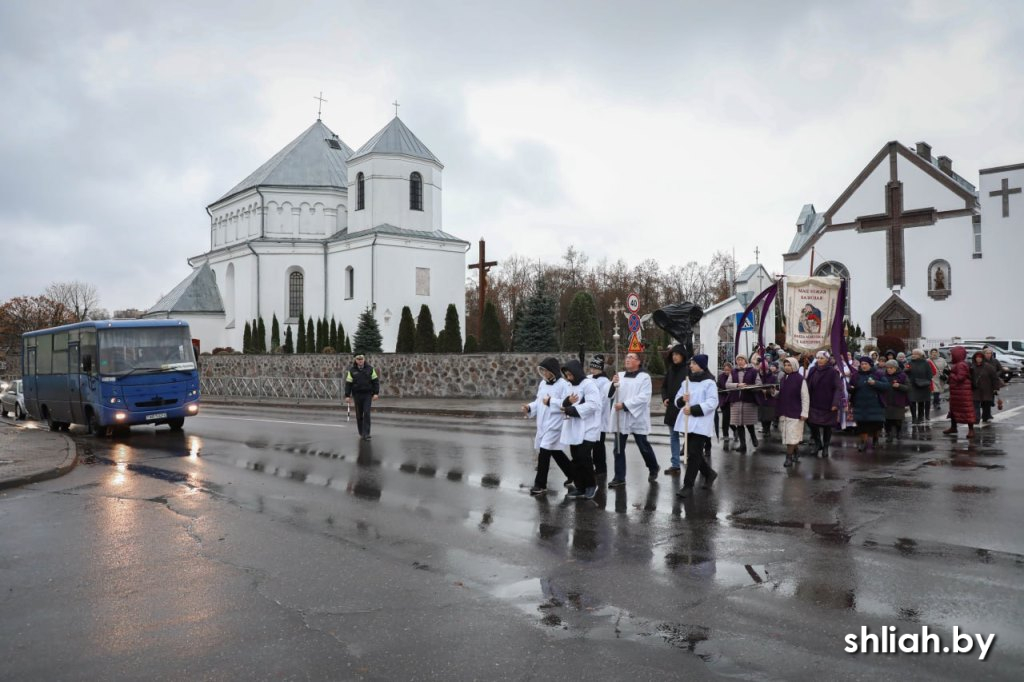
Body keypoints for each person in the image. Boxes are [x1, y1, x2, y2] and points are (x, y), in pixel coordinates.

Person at [523, 358, 576, 495]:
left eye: (546, 370)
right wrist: (529, 407)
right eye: (543, 371)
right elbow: (538, 402)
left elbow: (567, 403)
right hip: (543, 422)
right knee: (555, 451)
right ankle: (573, 473)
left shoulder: (564, 385)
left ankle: (540, 484)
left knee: (544, 450)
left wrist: (551, 401)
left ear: (553, 371)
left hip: (556, 423)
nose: (544, 373)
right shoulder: (543, 384)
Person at [608, 352, 660, 487]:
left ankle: (653, 467)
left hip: (636, 415)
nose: (628, 359)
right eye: (627, 357)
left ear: (638, 362)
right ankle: (619, 477)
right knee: (618, 448)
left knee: (643, 446)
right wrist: (613, 384)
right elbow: (610, 395)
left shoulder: (644, 377)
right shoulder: (619, 375)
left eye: (631, 358)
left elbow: (644, 397)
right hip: (620, 416)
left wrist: (625, 405)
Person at [674, 354, 719, 498]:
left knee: (693, 453)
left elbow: (713, 402)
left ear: (701, 365)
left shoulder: (709, 383)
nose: (690, 365)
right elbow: (677, 400)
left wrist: (694, 409)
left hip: (701, 422)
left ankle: (688, 485)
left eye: (693, 363)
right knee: (694, 453)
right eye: (690, 363)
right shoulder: (686, 381)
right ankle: (709, 473)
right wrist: (682, 399)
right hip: (687, 423)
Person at [559, 360, 600, 500]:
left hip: (588, 427)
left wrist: (573, 409)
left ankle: (591, 486)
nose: (569, 377)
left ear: (576, 372)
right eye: (567, 375)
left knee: (584, 457)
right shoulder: (570, 385)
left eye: (571, 374)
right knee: (576, 458)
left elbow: (593, 404)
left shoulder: (589, 385)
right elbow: (564, 401)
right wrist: (566, 404)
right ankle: (580, 486)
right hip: (574, 427)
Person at [805, 350, 844, 458]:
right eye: (817, 358)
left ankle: (826, 447)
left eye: (821, 358)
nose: (819, 360)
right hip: (813, 402)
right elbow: (807, 385)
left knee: (827, 427)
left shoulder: (832, 372)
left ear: (827, 359)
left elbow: (838, 388)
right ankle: (818, 443)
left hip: (828, 403)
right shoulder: (812, 370)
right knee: (812, 423)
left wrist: (835, 403)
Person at [849, 355, 890, 451]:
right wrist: (850, 388)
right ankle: (863, 442)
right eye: (862, 364)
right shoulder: (856, 375)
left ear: (870, 365)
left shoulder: (878, 374)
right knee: (862, 425)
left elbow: (886, 386)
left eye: (865, 364)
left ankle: (875, 440)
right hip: (860, 404)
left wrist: (875, 383)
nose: (863, 366)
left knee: (875, 424)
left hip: (875, 404)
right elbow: (850, 386)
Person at [660, 344, 689, 476]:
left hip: (684, 408)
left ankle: (695, 463)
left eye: (677, 354)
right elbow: (664, 387)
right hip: (672, 407)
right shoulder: (671, 370)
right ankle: (675, 464)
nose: (675, 357)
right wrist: (665, 398)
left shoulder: (688, 370)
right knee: (673, 437)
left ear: (682, 355)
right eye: (673, 355)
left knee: (689, 436)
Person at [775, 357, 809, 467]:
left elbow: (805, 397)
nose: (787, 367)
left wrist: (804, 412)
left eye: (789, 365)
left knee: (791, 435)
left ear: (794, 366)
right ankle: (796, 451)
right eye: (785, 365)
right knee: (788, 435)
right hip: (784, 411)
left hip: (795, 412)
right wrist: (773, 392)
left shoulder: (800, 379)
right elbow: (782, 393)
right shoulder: (783, 378)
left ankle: (788, 457)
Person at [726, 354, 761, 453]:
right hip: (736, 401)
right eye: (738, 360)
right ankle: (743, 445)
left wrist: (749, 387)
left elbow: (759, 384)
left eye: (741, 359)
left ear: (745, 361)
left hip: (748, 400)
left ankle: (753, 437)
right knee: (739, 424)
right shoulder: (733, 372)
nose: (739, 361)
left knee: (748, 422)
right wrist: (737, 385)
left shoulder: (753, 371)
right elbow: (727, 385)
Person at [586, 355, 612, 478]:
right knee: (588, 443)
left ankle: (601, 468)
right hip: (587, 416)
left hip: (599, 417)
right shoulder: (588, 378)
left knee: (598, 445)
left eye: (595, 368)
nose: (592, 370)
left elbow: (603, 399)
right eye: (591, 368)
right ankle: (590, 466)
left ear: (600, 369)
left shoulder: (605, 382)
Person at [943, 347, 976, 439]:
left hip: (963, 392)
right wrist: (947, 376)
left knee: (967, 410)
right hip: (956, 392)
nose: (951, 356)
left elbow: (959, 378)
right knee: (954, 410)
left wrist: (950, 373)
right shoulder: (958, 364)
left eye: (952, 354)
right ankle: (953, 427)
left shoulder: (961, 365)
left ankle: (971, 430)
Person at [344, 353, 380, 440]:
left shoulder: (370, 369)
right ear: (356, 360)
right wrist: (347, 396)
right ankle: (361, 432)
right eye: (358, 359)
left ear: (364, 360)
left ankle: (366, 433)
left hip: (367, 395)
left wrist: (376, 393)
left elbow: (375, 382)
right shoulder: (352, 371)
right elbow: (348, 384)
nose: (360, 361)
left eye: (361, 359)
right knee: (359, 415)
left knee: (367, 413)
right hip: (357, 395)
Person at [882, 359, 910, 443]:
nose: (889, 369)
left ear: (895, 368)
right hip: (886, 401)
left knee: (898, 420)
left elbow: (908, 387)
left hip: (898, 401)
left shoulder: (902, 375)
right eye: (887, 368)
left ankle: (898, 432)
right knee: (887, 421)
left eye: (891, 368)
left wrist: (899, 386)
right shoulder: (883, 376)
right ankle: (889, 435)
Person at [971, 350, 1002, 423]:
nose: (978, 359)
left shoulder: (989, 367)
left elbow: (995, 378)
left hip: (987, 389)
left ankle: (985, 417)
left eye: (980, 357)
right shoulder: (972, 367)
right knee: (975, 404)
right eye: (977, 357)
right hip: (976, 389)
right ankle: (976, 418)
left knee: (986, 405)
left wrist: (996, 388)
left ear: (982, 358)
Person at [906, 348, 935, 424]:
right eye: (913, 354)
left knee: (921, 402)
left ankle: (920, 417)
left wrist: (925, 381)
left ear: (920, 355)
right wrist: (906, 370)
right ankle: (914, 418)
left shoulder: (926, 363)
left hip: (923, 385)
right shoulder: (910, 363)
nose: (913, 355)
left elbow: (930, 374)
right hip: (912, 385)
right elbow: (905, 373)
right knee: (912, 402)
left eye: (915, 354)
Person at [757, 360, 779, 438]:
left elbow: (776, 389)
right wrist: (759, 389)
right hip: (760, 399)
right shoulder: (757, 377)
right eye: (760, 370)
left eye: (764, 370)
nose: (762, 371)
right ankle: (765, 429)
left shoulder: (773, 377)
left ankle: (767, 430)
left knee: (768, 416)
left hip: (770, 400)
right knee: (762, 416)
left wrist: (767, 391)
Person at [717, 361, 736, 443]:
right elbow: (718, 386)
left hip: (731, 400)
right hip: (723, 399)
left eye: (728, 370)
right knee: (725, 418)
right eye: (725, 370)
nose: (726, 372)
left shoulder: (734, 376)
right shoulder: (721, 376)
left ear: (731, 369)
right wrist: (723, 391)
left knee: (729, 419)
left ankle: (733, 431)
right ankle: (726, 435)